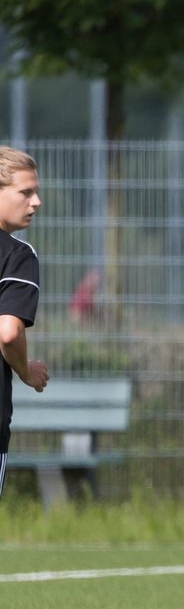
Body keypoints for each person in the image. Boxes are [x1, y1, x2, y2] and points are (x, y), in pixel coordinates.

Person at [0, 146, 49, 501]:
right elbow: (9, 332)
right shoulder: (17, 255)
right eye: (26, 192)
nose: (37, 202)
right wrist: (26, 372)